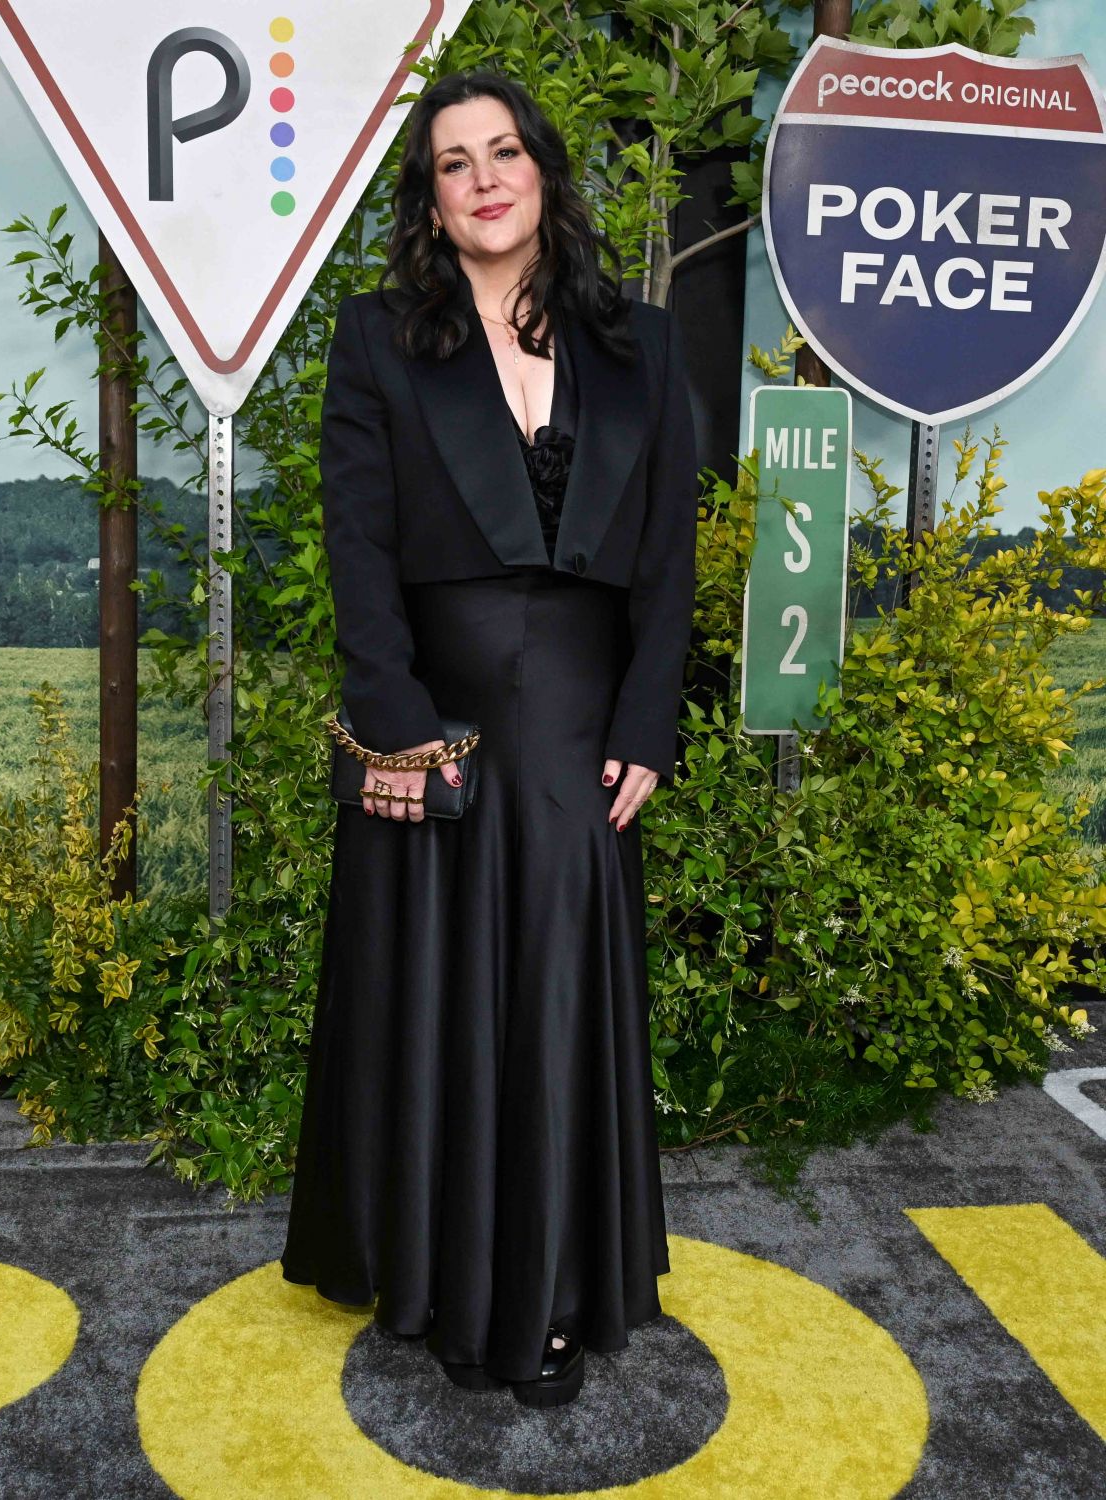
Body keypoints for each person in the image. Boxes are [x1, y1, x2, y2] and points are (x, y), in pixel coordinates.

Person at [280, 67, 699, 1410]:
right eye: (454, 162)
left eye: (503, 150)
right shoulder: (378, 339)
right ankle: (454, 1287)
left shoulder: (641, 345)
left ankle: (559, 1299)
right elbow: (359, 548)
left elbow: (670, 558)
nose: (483, 177)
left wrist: (648, 721)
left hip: (583, 726)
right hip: (443, 726)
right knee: (441, 1008)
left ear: (542, 170)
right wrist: (401, 730)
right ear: (432, 199)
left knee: (557, 1001)